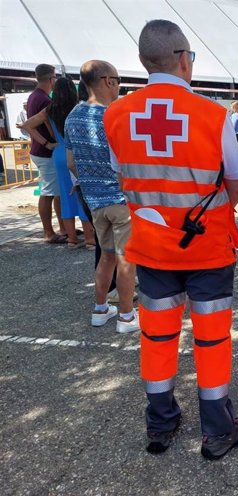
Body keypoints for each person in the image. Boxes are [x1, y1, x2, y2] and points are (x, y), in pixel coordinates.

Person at [103, 20, 238, 459]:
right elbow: (235, 186)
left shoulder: (117, 115)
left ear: (142, 61)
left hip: (151, 250)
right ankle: (217, 431)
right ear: (185, 59)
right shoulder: (212, 114)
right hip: (206, 250)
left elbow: (125, 176)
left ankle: (161, 424)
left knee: (156, 338)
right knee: (211, 340)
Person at [64, 60, 138, 334]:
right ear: (108, 81)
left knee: (106, 256)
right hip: (119, 199)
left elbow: (71, 162)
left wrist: (87, 182)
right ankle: (128, 316)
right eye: (118, 80)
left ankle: (100, 309)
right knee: (126, 258)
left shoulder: (72, 116)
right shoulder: (115, 115)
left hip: (94, 201)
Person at [20, 77, 96, 248]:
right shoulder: (78, 108)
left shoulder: (50, 109)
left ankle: (71, 239)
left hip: (59, 153)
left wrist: (47, 143)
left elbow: (26, 125)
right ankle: (90, 239)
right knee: (82, 194)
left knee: (64, 195)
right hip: (76, 152)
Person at [27, 64, 67, 244]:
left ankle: (63, 227)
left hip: (42, 150)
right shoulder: (43, 99)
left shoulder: (35, 96)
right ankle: (49, 232)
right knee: (49, 192)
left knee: (55, 191)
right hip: (45, 152)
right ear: (51, 79)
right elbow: (31, 125)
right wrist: (48, 142)